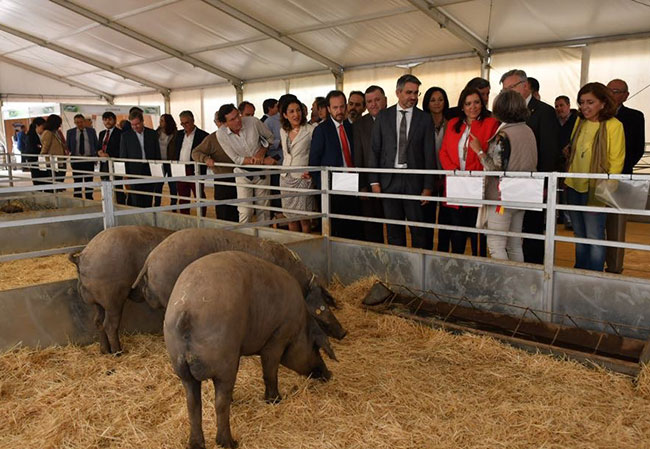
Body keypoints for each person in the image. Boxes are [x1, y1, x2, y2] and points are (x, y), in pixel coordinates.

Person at [469, 90, 538, 261]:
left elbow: (495, 169)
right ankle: (517, 282)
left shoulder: (503, 135)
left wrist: (478, 150)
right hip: (522, 195)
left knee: (496, 245)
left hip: (502, 197)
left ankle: (504, 284)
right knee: (514, 244)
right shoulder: (528, 131)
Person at [368, 74, 435, 250]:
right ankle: (398, 270)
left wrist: (428, 186)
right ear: (398, 92)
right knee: (393, 231)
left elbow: (429, 153)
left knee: (418, 231)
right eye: (409, 92)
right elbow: (375, 150)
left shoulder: (425, 119)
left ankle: (419, 271)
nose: (413, 97)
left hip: (415, 181)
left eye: (416, 93)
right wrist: (374, 181)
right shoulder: (383, 116)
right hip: (389, 181)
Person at [500, 69, 560, 264]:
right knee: (515, 233)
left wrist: (543, 184)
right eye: (504, 90)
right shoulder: (507, 115)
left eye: (511, 88)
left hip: (534, 184)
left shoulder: (544, 111)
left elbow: (550, 151)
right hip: (511, 186)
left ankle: (534, 271)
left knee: (532, 230)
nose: (507, 93)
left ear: (525, 86)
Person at [564, 82, 624, 272]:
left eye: (590, 102)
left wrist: (607, 189)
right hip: (573, 184)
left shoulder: (614, 125)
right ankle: (580, 270)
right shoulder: (579, 121)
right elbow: (573, 149)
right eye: (581, 102)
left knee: (594, 234)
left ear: (603, 103)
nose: (584, 107)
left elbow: (616, 161)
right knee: (579, 234)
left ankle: (594, 275)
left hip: (597, 189)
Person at [439, 87, 499, 256]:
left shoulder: (491, 124)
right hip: (455, 183)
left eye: (476, 102)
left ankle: (478, 268)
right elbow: (443, 151)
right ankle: (458, 267)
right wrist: (453, 171)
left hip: (477, 185)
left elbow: (493, 156)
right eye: (468, 103)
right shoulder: (453, 124)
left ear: (482, 104)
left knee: (477, 233)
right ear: (462, 106)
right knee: (457, 233)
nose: (473, 107)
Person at [605, 79, 646, 274]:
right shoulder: (596, 114)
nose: (611, 94)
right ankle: (592, 263)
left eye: (615, 91)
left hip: (620, 178)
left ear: (625, 95)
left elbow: (637, 149)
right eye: (608, 90)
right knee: (593, 224)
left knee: (616, 225)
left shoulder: (634, 116)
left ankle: (614, 266)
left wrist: (618, 170)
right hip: (593, 176)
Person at [309, 90, 362, 240]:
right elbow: (313, 162)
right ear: (328, 108)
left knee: (353, 223)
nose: (339, 111)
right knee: (337, 225)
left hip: (352, 179)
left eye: (341, 107)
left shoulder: (352, 128)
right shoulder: (321, 130)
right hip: (332, 183)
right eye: (335, 108)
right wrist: (324, 186)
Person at [217, 103, 276, 223]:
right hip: (242, 173)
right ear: (225, 123)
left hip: (262, 172)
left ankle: (263, 239)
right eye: (232, 119)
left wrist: (261, 152)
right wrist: (257, 160)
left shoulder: (253, 122)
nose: (238, 120)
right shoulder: (221, 134)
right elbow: (236, 159)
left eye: (237, 115)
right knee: (245, 211)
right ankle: (243, 239)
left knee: (263, 209)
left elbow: (270, 138)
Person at [352, 85, 387, 244]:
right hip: (369, 184)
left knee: (396, 226)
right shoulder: (359, 125)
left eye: (377, 100)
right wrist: (362, 186)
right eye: (369, 101)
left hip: (393, 183)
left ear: (385, 101)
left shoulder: (395, 118)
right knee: (372, 228)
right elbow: (358, 157)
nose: (373, 104)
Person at [192, 112, 238, 222]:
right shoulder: (212, 138)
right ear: (216, 123)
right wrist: (206, 159)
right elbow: (196, 152)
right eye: (219, 122)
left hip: (241, 177)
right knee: (223, 211)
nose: (222, 125)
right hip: (222, 178)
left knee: (240, 209)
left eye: (224, 122)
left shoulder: (238, 134)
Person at [422, 86, 452, 252]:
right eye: (433, 100)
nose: (437, 103)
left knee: (446, 219)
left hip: (446, 176)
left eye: (440, 99)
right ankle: (427, 251)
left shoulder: (451, 123)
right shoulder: (421, 122)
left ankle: (442, 252)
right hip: (428, 177)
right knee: (427, 216)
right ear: (427, 102)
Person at [279, 98, 315, 233]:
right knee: (290, 218)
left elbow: (316, 154)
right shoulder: (282, 130)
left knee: (304, 218)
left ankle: (306, 248)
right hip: (285, 177)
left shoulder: (311, 130)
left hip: (303, 177)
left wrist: (311, 171)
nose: (296, 114)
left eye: (298, 110)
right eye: (291, 111)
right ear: (285, 115)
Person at [119, 109, 161, 208]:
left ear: (142, 122)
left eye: (137, 124)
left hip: (149, 170)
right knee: (136, 199)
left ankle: (147, 219)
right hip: (133, 171)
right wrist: (125, 175)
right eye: (132, 125)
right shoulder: (125, 136)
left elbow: (157, 154)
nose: (135, 127)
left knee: (148, 198)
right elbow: (123, 156)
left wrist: (158, 171)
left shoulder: (152, 134)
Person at [174, 110, 209, 216]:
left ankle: (202, 217)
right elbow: (175, 151)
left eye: (187, 123)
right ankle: (185, 217)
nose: (184, 125)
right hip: (180, 169)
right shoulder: (178, 135)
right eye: (182, 123)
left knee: (199, 195)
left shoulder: (203, 135)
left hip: (195, 169)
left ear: (193, 120)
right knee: (183, 197)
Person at [67, 114, 99, 199]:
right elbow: (68, 146)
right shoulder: (70, 132)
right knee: (77, 180)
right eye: (77, 122)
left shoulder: (91, 131)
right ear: (74, 122)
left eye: (81, 122)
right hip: (76, 159)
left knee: (89, 180)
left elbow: (95, 144)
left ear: (84, 121)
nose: (79, 124)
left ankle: (89, 197)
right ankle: (78, 197)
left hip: (88, 159)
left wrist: (95, 155)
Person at [98, 111, 125, 204]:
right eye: (105, 120)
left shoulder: (121, 134)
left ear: (114, 120)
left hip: (115, 164)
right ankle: (107, 204)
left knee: (118, 186)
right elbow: (98, 146)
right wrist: (99, 152)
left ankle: (120, 204)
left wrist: (109, 155)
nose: (107, 122)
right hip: (103, 164)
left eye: (110, 119)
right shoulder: (101, 133)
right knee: (105, 184)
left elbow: (121, 149)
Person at [155, 114, 178, 208]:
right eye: (160, 120)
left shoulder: (175, 133)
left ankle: (173, 203)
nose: (160, 122)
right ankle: (157, 203)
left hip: (171, 162)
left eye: (162, 120)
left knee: (172, 184)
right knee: (158, 185)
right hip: (159, 162)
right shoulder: (156, 133)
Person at [40, 114, 67, 182]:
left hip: (60, 160)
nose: (60, 125)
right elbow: (45, 149)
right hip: (53, 162)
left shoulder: (55, 132)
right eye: (58, 124)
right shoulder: (48, 133)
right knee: (56, 180)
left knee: (60, 180)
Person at [24, 117, 47, 185]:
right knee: (37, 180)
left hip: (43, 161)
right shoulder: (30, 136)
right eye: (42, 126)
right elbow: (31, 149)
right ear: (37, 126)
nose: (44, 128)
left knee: (45, 180)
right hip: (35, 161)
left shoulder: (43, 135)